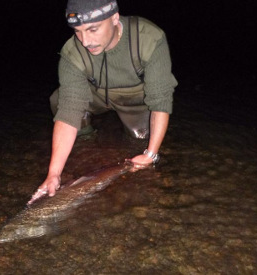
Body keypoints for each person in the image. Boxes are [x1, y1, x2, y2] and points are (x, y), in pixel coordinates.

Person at [29, 0, 177, 202]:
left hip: (135, 98)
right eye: (77, 31)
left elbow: (160, 100)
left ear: (115, 18)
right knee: (59, 100)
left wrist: (151, 154)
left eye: (93, 29)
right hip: (97, 94)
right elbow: (68, 110)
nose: (85, 41)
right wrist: (53, 173)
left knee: (140, 139)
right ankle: (87, 139)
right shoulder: (72, 53)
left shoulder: (149, 37)